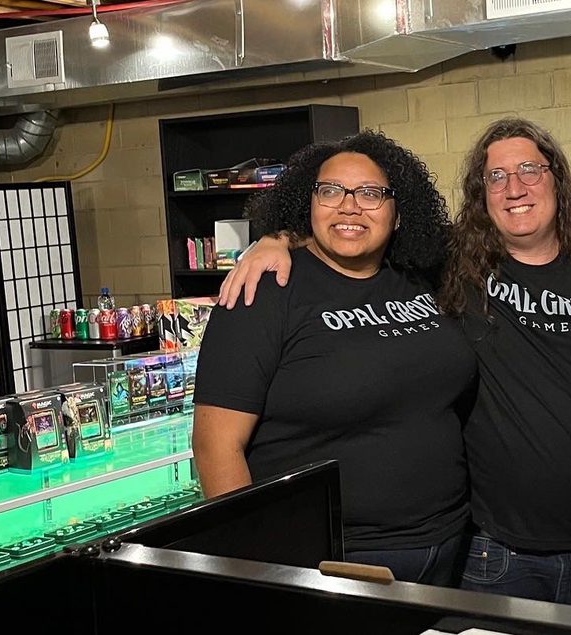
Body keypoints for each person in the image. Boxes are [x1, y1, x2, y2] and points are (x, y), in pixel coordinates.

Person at [219, 118, 571, 603]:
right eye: (496, 177)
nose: (515, 188)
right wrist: (275, 237)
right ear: (481, 197)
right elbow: (357, 226)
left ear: (556, 181)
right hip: (495, 552)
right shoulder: (455, 266)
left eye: (529, 170)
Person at [192, 130, 476, 586]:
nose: (349, 206)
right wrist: (254, 567)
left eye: (370, 193)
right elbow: (214, 445)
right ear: (309, 203)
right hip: (332, 559)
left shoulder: (420, 275)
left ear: (399, 212)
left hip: (450, 544)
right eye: (330, 191)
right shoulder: (265, 291)